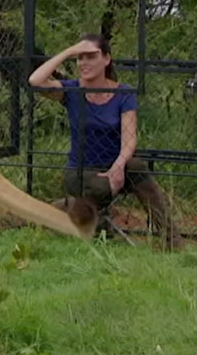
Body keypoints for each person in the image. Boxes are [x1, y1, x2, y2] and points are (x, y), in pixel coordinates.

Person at [28, 34, 183, 250]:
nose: (84, 63)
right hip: (82, 171)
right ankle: (60, 213)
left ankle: (172, 242)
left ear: (107, 59)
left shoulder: (123, 93)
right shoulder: (71, 90)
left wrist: (118, 167)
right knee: (97, 192)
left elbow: (130, 140)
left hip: (116, 167)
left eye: (91, 56)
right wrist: (68, 51)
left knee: (137, 166)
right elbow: (35, 81)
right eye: (80, 58)